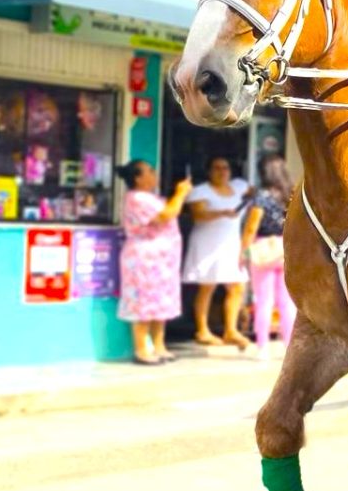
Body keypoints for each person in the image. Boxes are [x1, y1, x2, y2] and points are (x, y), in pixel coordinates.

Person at [117, 160, 189, 365]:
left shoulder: (151, 197)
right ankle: (142, 349)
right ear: (138, 178)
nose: (154, 173)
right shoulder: (137, 198)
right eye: (149, 171)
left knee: (161, 302)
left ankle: (159, 346)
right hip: (144, 260)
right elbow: (165, 216)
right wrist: (181, 193)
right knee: (143, 303)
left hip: (162, 262)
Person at [183, 155, 251, 348]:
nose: (222, 171)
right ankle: (202, 330)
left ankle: (231, 330)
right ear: (209, 171)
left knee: (237, 286)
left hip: (232, 244)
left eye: (225, 168)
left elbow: (256, 194)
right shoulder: (200, 191)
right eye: (217, 167)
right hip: (208, 244)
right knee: (208, 286)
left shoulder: (239, 186)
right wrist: (222, 213)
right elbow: (198, 214)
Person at [241, 152, 295, 361]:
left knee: (263, 300)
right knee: (286, 301)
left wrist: (243, 251)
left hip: (263, 248)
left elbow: (251, 226)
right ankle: (288, 345)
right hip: (284, 248)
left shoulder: (261, 197)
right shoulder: (291, 194)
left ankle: (262, 346)